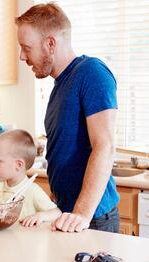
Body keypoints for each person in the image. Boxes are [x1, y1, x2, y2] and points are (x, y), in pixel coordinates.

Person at [15, 3, 119, 233]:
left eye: (26, 47)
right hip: (67, 214)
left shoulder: (91, 73)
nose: (22, 56)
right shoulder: (60, 85)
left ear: (50, 44)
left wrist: (81, 213)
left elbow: (105, 145)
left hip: (92, 218)